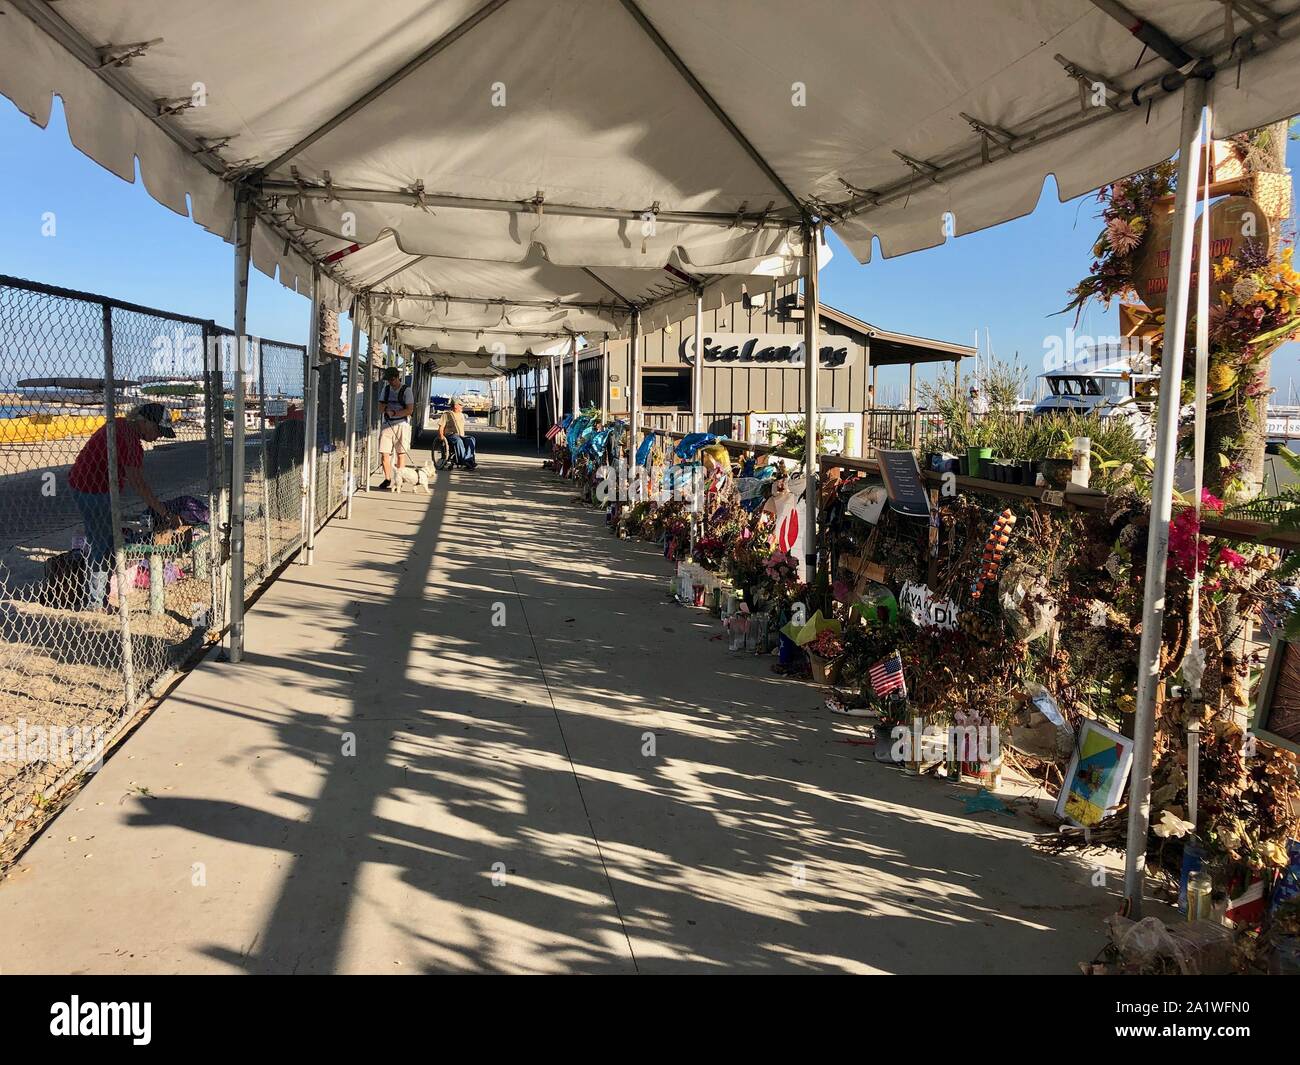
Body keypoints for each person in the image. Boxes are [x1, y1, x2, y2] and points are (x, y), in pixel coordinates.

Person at [68, 402, 178, 610]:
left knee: (106, 540)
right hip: (92, 489)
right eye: (157, 430)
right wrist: (164, 512)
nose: (159, 436)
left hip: (89, 485)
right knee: (101, 544)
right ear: (143, 421)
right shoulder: (129, 440)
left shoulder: (121, 426)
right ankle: (95, 603)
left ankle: (99, 597)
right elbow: (138, 483)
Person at [376, 367, 414, 489]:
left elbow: (409, 410)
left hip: (402, 424)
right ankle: (387, 478)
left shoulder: (407, 391)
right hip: (387, 424)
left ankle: (399, 479)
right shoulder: (386, 390)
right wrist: (386, 411)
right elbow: (380, 407)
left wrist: (395, 413)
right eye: (389, 380)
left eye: (392, 379)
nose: (391, 382)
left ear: (398, 377)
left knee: (400, 453)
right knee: (384, 453)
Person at [439, 398, 477, 470]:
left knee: (471, 439)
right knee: (458, 440)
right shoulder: (446, 414)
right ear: (455, 406)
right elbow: (441, 427)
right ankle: (463, 460)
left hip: (461, 435)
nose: (462, 407)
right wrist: (441, 437)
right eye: (461, 405)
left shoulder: (462, 415)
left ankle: (468, 459)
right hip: (450, 435)